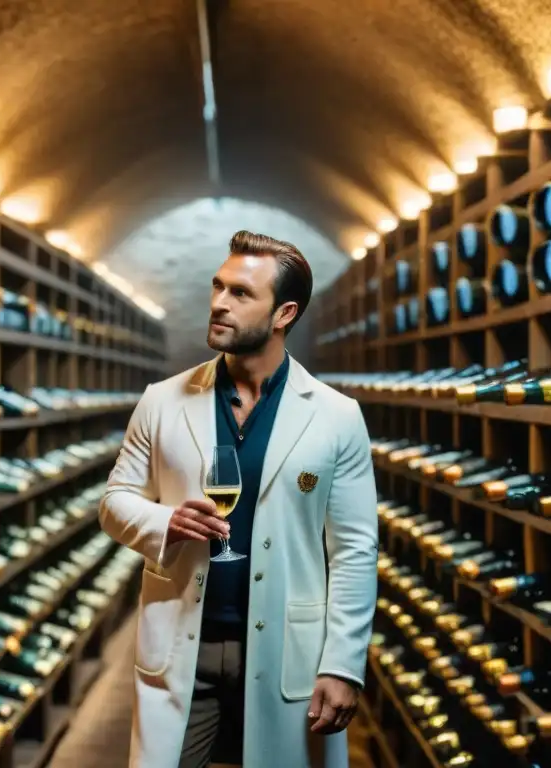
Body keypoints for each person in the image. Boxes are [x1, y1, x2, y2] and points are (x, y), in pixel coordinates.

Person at [98, 230, 379, 768]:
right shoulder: (162, 401)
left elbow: (354, 551)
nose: (219, 303)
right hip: (184, 644)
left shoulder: (337, 416)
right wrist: (166, 521)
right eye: (217, 286)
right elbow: (115, 500)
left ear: (284, 313)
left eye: (241, 294)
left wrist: (343, 664)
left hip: (284, 652)